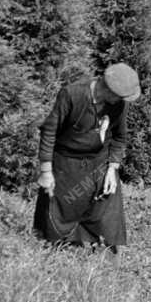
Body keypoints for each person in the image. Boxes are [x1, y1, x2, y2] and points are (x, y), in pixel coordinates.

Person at [33, 63, 141, 253]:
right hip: (66, 162)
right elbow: (49, 131)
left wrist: (112, 168)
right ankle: (55, 250)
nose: (121, 101)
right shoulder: (72, 94)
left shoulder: (119, 105)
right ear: (107, 89)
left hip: (99, 162)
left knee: (108, 209)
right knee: (59, 210)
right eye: (119, 96)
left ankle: (106, 257)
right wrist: (46, 172)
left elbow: (119, 137)